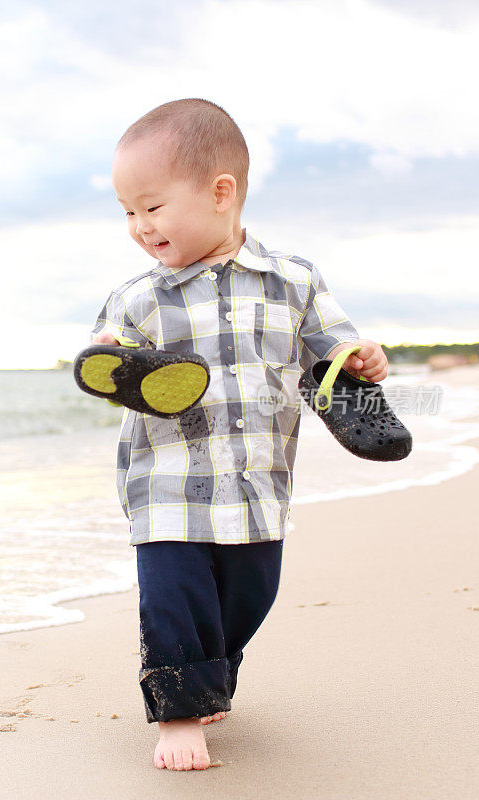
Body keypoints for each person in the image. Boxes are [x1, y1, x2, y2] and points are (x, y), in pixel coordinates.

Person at [89, 98, 389, 771]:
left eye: (152, 207)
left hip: (257, 482)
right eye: (127, 212)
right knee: (173, 594)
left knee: (250, 595)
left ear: (221, 192)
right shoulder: (140, 297)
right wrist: (111, 360)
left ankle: (210, 670)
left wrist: (362, 359)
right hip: (166, 482)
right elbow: (106, 350)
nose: (138, 226)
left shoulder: (294, 280)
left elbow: (331, 357)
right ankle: (178, 709)